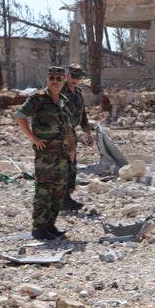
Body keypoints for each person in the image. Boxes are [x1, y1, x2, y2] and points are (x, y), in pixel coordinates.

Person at [15, 65, 76, 240]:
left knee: (58, 190)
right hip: (46, 154)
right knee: (44, 190)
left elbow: (68, 127)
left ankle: (50, 225)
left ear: (64, 80)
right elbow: (20, 116)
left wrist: (73, 148)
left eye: (59, 78)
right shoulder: (38, 98)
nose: (55, 81)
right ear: (47, 80)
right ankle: (39, 227)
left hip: (62, 154)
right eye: (52, 78)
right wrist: (33, 138)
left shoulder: (63, 100)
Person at [60, 64, 94, 211]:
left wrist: (88, 133)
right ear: (67, 75)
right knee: (62, 165)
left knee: (71, 165)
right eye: (73, 77)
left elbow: (82, 115)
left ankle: (66, 198)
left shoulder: (78, 93)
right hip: (61, 132)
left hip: (71, 132)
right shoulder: (59, 90)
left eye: (77, 78)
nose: (74, 80)